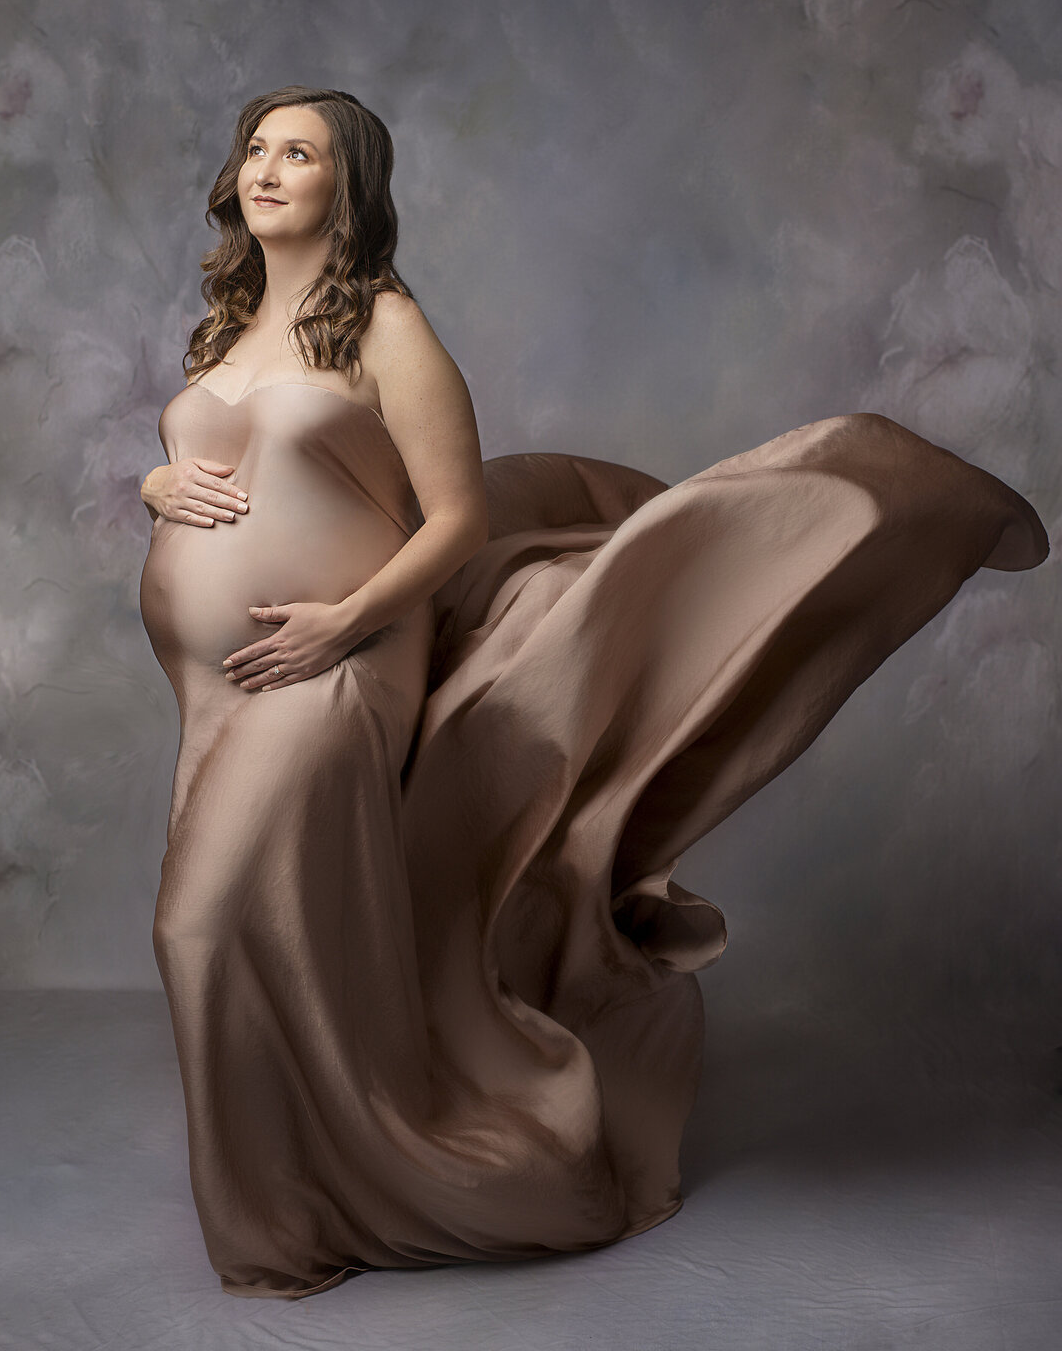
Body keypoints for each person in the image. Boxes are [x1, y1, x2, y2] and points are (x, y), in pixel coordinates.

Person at [138, 84, 1049, 1301]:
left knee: (200, 926)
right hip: (213, 683)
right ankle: (301, 1186)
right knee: (271, 930)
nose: (266, 169)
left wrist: (347, 622)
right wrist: (160, 487)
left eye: (297, 152)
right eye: (255, 148)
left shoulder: (387, 328)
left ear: (345, 184)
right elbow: (213, 461)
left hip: (339, 663)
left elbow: (455, 518)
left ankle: (326, 1209)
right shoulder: (227, 323)